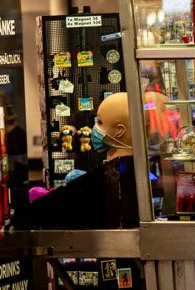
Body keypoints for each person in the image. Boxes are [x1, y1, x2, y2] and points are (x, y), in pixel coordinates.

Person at [19, 91, 138, 229]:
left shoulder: (121, 177)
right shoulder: (133, 170)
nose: (95, 128)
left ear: (119, 130)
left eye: (100, 122)